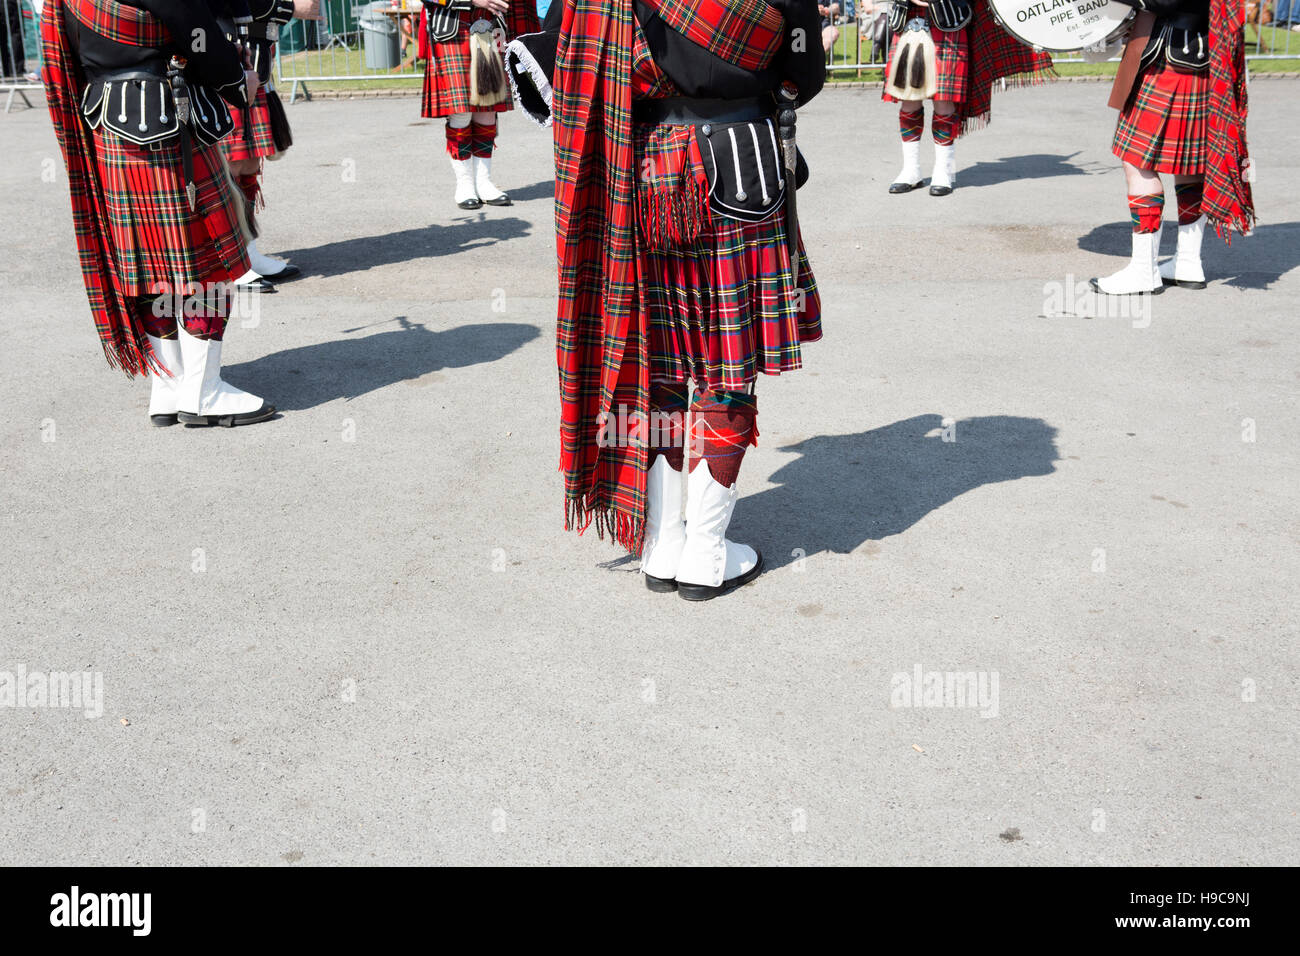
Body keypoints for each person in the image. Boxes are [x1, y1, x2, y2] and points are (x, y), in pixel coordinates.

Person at [508, 0, 824, 600]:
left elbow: (563, 64)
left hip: (649, 171)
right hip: (743, 163)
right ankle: (705, 553)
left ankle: (662, 544)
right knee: (727, 366)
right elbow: (801, 80)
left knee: (664, 362)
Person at [41, 0, 275, 427]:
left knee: (150, 268)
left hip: (108, 129)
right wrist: (241, 81)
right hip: (171, 128)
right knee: (207, 267)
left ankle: (169, 385)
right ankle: (203, 394)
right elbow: (199, 36)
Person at [1091, 0, 1255, 294]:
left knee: (1138, 162)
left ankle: (1144, 271)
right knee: (1190, 166)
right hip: (1199, 53)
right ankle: (1188, 262)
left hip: (1174, 57)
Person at [882, 0, 1053, 196]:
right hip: (908, 21)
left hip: (948, 19)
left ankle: (943, 171)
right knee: (909, 99)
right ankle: (910, 170)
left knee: (944, 100)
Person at [213, 0, 305, 287]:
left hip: (252, 61)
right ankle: (227, 258)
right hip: (222, 61)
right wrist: (287, 7)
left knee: (249, 163)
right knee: (227, 168)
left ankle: (247, 251)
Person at [417, 0, 539, 209]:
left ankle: (484, 183)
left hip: (492, 26)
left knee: (488, 108)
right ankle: (464, 185)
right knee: (461, 111)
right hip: (452, 26)